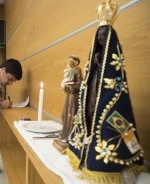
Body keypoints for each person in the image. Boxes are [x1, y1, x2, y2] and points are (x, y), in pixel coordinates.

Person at [66, 0, 145, 183]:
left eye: (105, 35)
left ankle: (122, 157)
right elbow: (89, 75)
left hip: (108, 92)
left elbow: (114, 75)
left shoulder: (113, 55)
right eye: (99, 35)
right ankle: (85, 149)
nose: (101, 38)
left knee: (112, 120)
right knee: (90, 113)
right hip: (94, 86)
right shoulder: (94, 55)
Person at [55, 55, 82, 152]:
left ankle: (69, 136)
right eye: (68, 61)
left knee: (71, 116)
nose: (69, 62)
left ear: (75, 62)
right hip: (69, 96)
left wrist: (69, 87)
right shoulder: (68, 70)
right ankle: (64, 133)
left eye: (71, 61)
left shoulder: (77, 70)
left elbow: (79, 84)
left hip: (74, 96)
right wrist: (64, 86)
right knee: (65, 114)